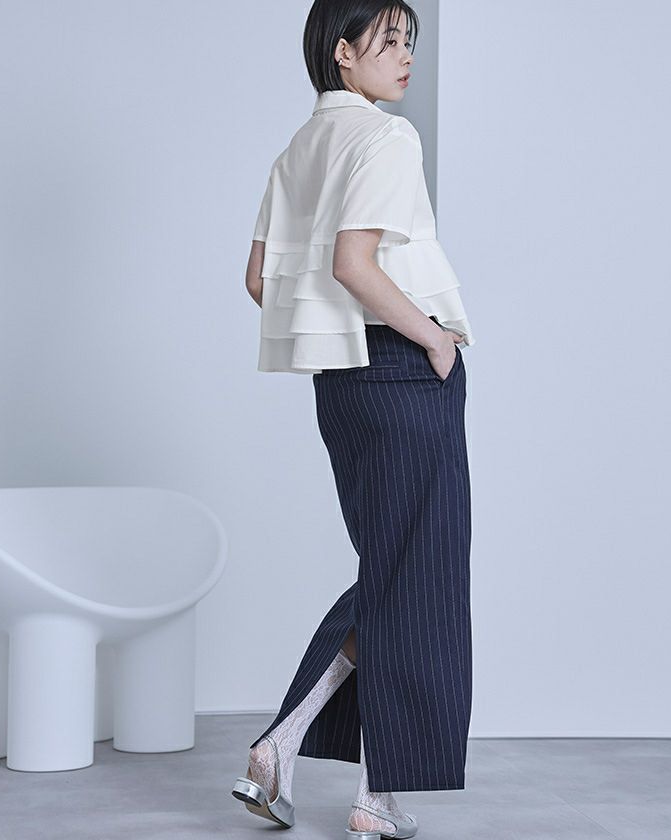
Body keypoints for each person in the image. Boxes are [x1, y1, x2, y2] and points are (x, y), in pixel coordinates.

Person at [232, 2, 475, 837]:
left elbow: (261, 282)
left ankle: (312, 761)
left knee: (395, 577)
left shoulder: (299, 148)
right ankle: (342, 778)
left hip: (342, 385)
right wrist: (433, 339)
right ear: (342, 51)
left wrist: (338, 338)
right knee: (418, 580)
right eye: (388, 40)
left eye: (411, 40)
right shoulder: (386, 138)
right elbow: (353, 263)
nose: (406, 56)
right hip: (404, 372)